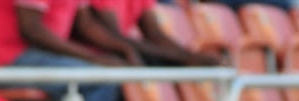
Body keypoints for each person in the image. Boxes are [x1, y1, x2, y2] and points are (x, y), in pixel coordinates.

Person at [0, 0, 130, 101]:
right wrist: (94, 58)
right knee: (103, 80)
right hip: (5, 57)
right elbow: (31, 29)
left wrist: (125, 50)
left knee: (116, 76)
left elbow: (86, 25)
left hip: (33, 56)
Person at [77, 0, 223, 67]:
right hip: (92, 57)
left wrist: (190, 57)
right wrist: (186, 58)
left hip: (121, 53)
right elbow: (115, 40)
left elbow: (155, 34)